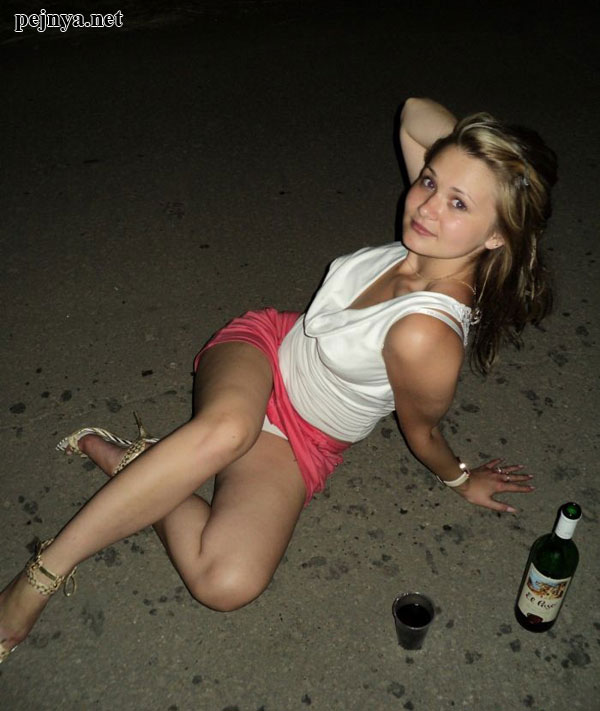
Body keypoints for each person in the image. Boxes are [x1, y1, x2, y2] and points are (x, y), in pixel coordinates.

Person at [0, 97, 557, 663]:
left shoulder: (425, 332)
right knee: (227, 431)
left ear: (497, 235)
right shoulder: (438, 230)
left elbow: (424, 433)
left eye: (459, 202)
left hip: (301, 439)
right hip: (262, 353)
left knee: (225, 583)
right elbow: (414, 112)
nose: (427, 206)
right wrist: (484, 158)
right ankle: (38, 579)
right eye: (430, 181)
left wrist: (460, 480)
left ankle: (140, 465)